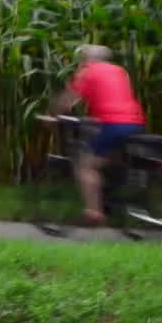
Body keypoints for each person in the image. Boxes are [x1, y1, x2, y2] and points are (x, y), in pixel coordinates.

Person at [49, 45, 146, 226]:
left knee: (85, 164)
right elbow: (113, 98)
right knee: (106, 159)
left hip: (112, 123)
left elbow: (68, 100)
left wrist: (52, 115)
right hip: (134, 123)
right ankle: (113, 197)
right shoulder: (120, 71)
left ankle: (94, 212)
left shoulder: (89, 72)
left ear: (86, 59)